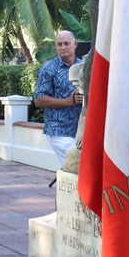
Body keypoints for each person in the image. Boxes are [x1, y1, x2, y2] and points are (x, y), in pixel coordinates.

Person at [33, 30, 83, 167]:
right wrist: (68, 101)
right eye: (59, 44)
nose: (63, 47)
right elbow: (39, 100)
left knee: (82, 170)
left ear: (75, 44)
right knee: (77, 167)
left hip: (82, 130)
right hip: (59, 129)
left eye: (66, 43)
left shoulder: (84, 67)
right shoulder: (48, 69)